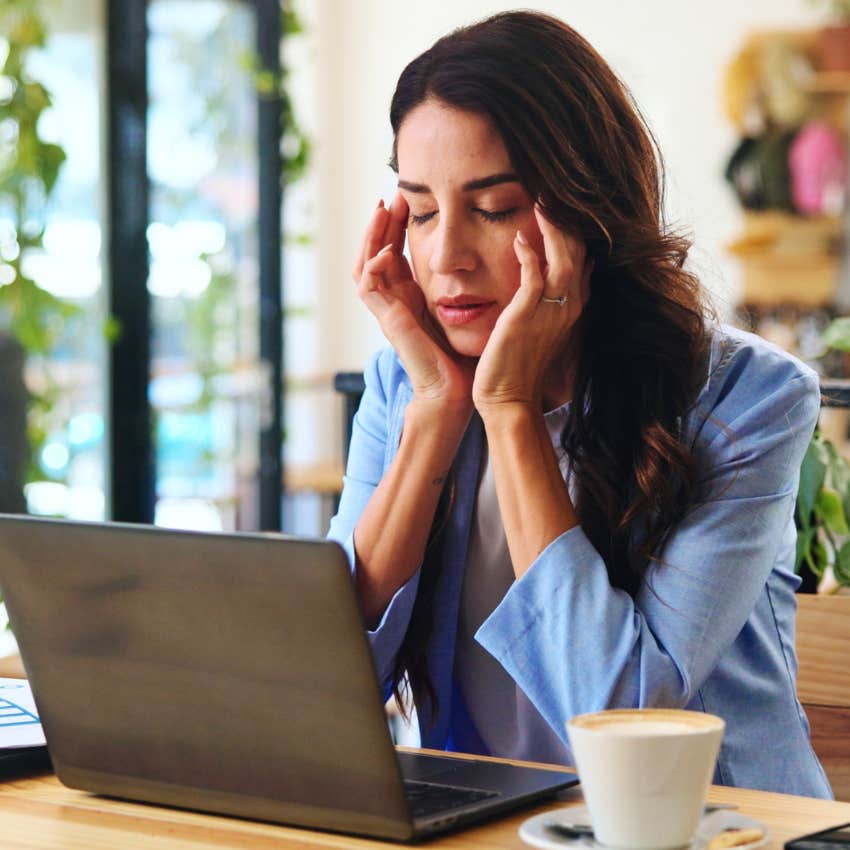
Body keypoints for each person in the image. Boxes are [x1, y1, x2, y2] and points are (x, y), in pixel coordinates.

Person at [327, 10, 832, 797]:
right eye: (420, 212)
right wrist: (434, 411)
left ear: (587, 211)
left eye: (493, 208)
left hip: (711, 829)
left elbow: (626, 714)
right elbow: (324, 689)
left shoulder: (748, 399)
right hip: (492, 826)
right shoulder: (406, 383)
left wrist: (509, 409)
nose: (446, 256)